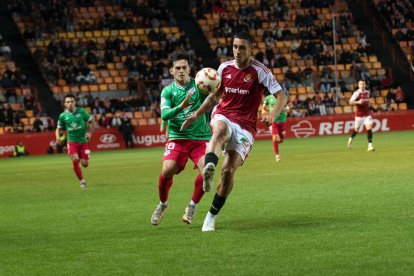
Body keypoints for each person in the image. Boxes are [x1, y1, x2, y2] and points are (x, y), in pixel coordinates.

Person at [181, 31, 288, 231]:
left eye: (242, 48)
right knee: (219, 131)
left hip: (246, 126)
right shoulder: (224, 68)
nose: (237, 51)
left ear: (251, 50)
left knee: (228, 172)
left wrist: (272, 114)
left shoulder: (260, 71)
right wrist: (196, 114)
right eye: (234, 47)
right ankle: (208, 170)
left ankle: (211, 216)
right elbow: (214, 98)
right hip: (225, 115)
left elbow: (282, 97)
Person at [150, 50, 212, 226]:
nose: (181, 71)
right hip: (178, 138)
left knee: (207, 169)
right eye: (177, 68)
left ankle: (192, 206)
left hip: (200, 138)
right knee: (167, 170)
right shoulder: (167, 91)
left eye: (184, 67)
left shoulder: (200, 86)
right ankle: (163, 204)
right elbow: (164, 115)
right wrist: (181, 106)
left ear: (190, 69)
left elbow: (211, 101)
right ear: (171, 71)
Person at [56, 94, 95, 188]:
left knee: (85, 164)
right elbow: (58, 128)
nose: (70, 104)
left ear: (75, 102)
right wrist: (57, 137)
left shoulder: (81, 111)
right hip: (72, 142)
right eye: (68, 102)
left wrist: (89, 133)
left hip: (84, 142)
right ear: (65, 104)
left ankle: (84, 159)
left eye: (72, 101)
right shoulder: (62, 116)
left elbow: (91, 121)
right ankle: (82, 181)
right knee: (75, 159)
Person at [348, 80, 375, 151]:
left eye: (363, 84)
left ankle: (370, 145)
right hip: (359, 115)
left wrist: (370, 104)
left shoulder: (368, 92)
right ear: (358, 85)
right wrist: (358, 102)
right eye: (361, 84)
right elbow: (350, 102)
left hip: (367, 114)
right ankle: (351, 138)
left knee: (369, 128)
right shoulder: (356, 93)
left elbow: (366, 102)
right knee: (356, 130)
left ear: (365, 85)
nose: (362, 85)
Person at [262, 93, 289, 162]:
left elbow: (288, 106)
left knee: (281, 139)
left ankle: (276, 143)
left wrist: (286, 108)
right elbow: (264, 107)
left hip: (282, 119)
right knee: (275, 137)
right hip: (273, 120)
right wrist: (269, 110)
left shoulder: (283, 96)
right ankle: (277, 156)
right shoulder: (268, 98)